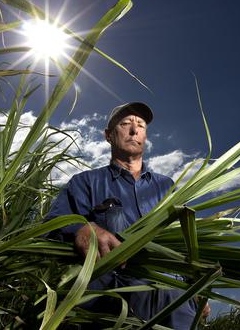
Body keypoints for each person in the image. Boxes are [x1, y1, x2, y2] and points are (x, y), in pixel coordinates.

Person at [46, 102, 208, 328]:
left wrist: (198, 285)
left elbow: (186, 241)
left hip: (174, 306)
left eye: (140, 125)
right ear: (108, 135)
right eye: (125, 124)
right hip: (110, 308)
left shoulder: (167, 187)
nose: (134, 130)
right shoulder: (85, 183)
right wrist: (81, 228)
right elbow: (52, 225)